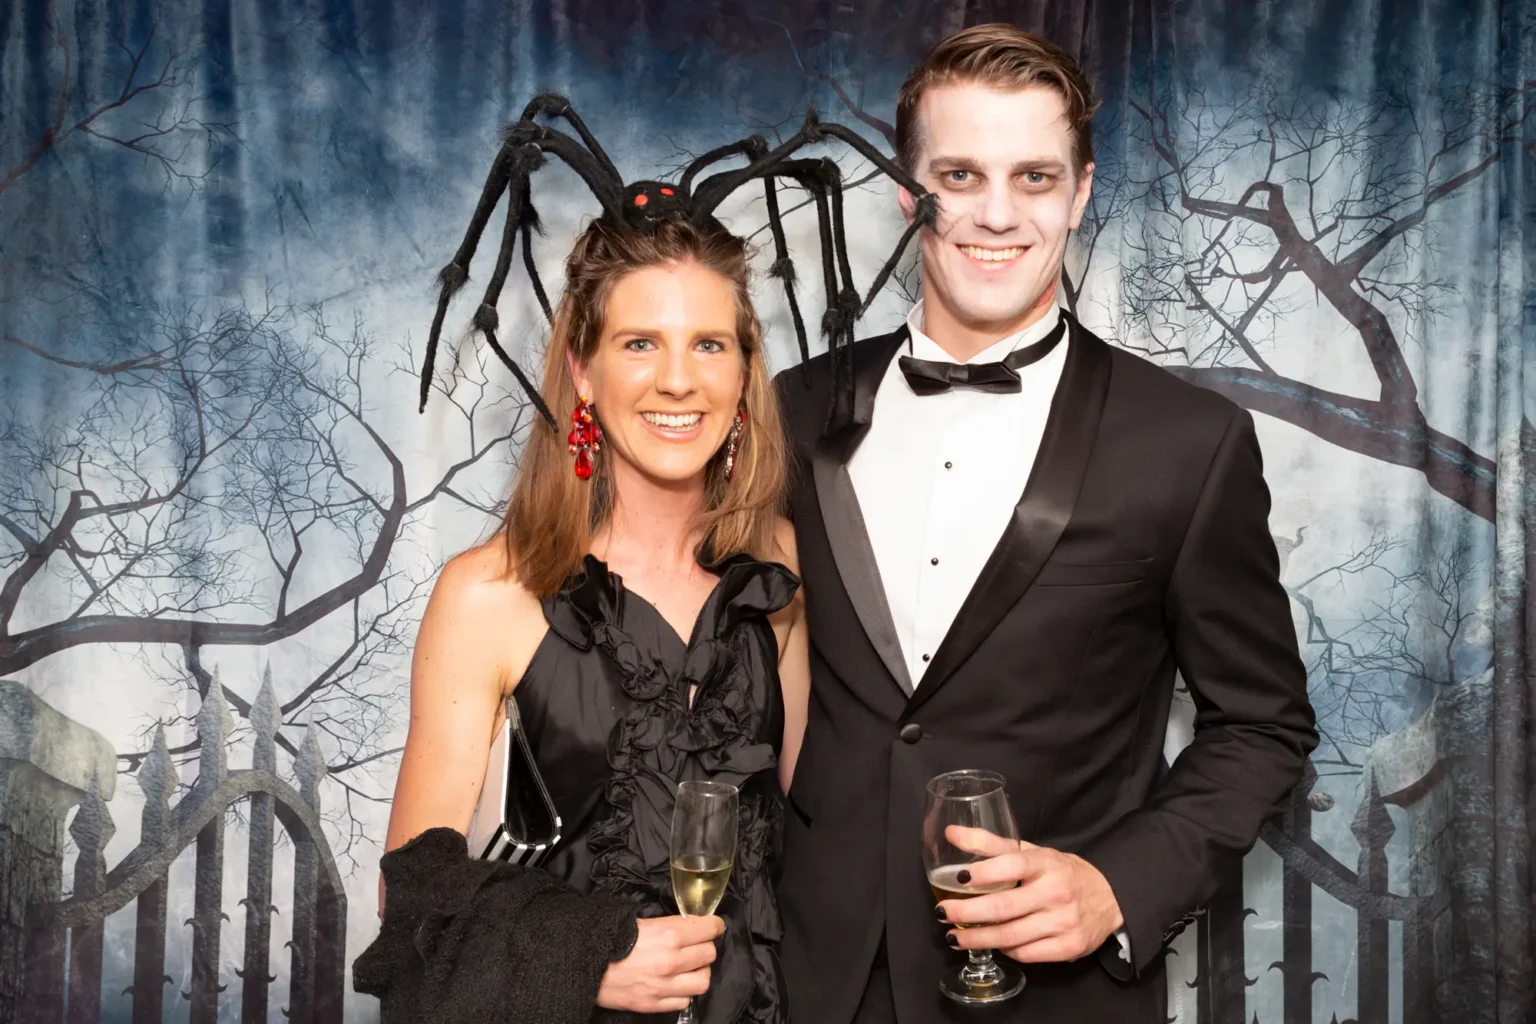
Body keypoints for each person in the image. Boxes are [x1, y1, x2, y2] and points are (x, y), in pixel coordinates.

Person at [773, 23, 1318, 1023]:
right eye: (960, 174)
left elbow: (1264, 725)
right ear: (908, 196)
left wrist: (1119, 884)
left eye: (1033, 177)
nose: (995, 213)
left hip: (1056, 997)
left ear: (1080, 192)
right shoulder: (789, 412)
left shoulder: (1188, 442)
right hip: (812, 981)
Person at [366, 214, 808, 1024]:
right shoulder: (488, 593)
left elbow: (821, 828)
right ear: (582, 370)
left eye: (710, 344)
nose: (678, 380)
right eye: (640, 343)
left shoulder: (780, 573)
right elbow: (415, 891)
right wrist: (586, 958)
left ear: (745, 373)